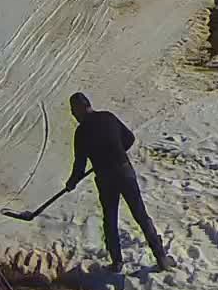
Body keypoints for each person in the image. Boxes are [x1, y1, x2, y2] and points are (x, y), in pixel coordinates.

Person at [67, 93, 170, 272]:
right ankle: (161, 258)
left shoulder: (81, 132)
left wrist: (72, 182)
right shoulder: (108, 117)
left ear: (81, 108)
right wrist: (116, 151)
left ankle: (117, 262)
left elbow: (80, 165)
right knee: (140, 215)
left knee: (110, 219)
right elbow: (129, 138)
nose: (73, 115)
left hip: (105, 177)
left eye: (73, 110)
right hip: (124, 171)